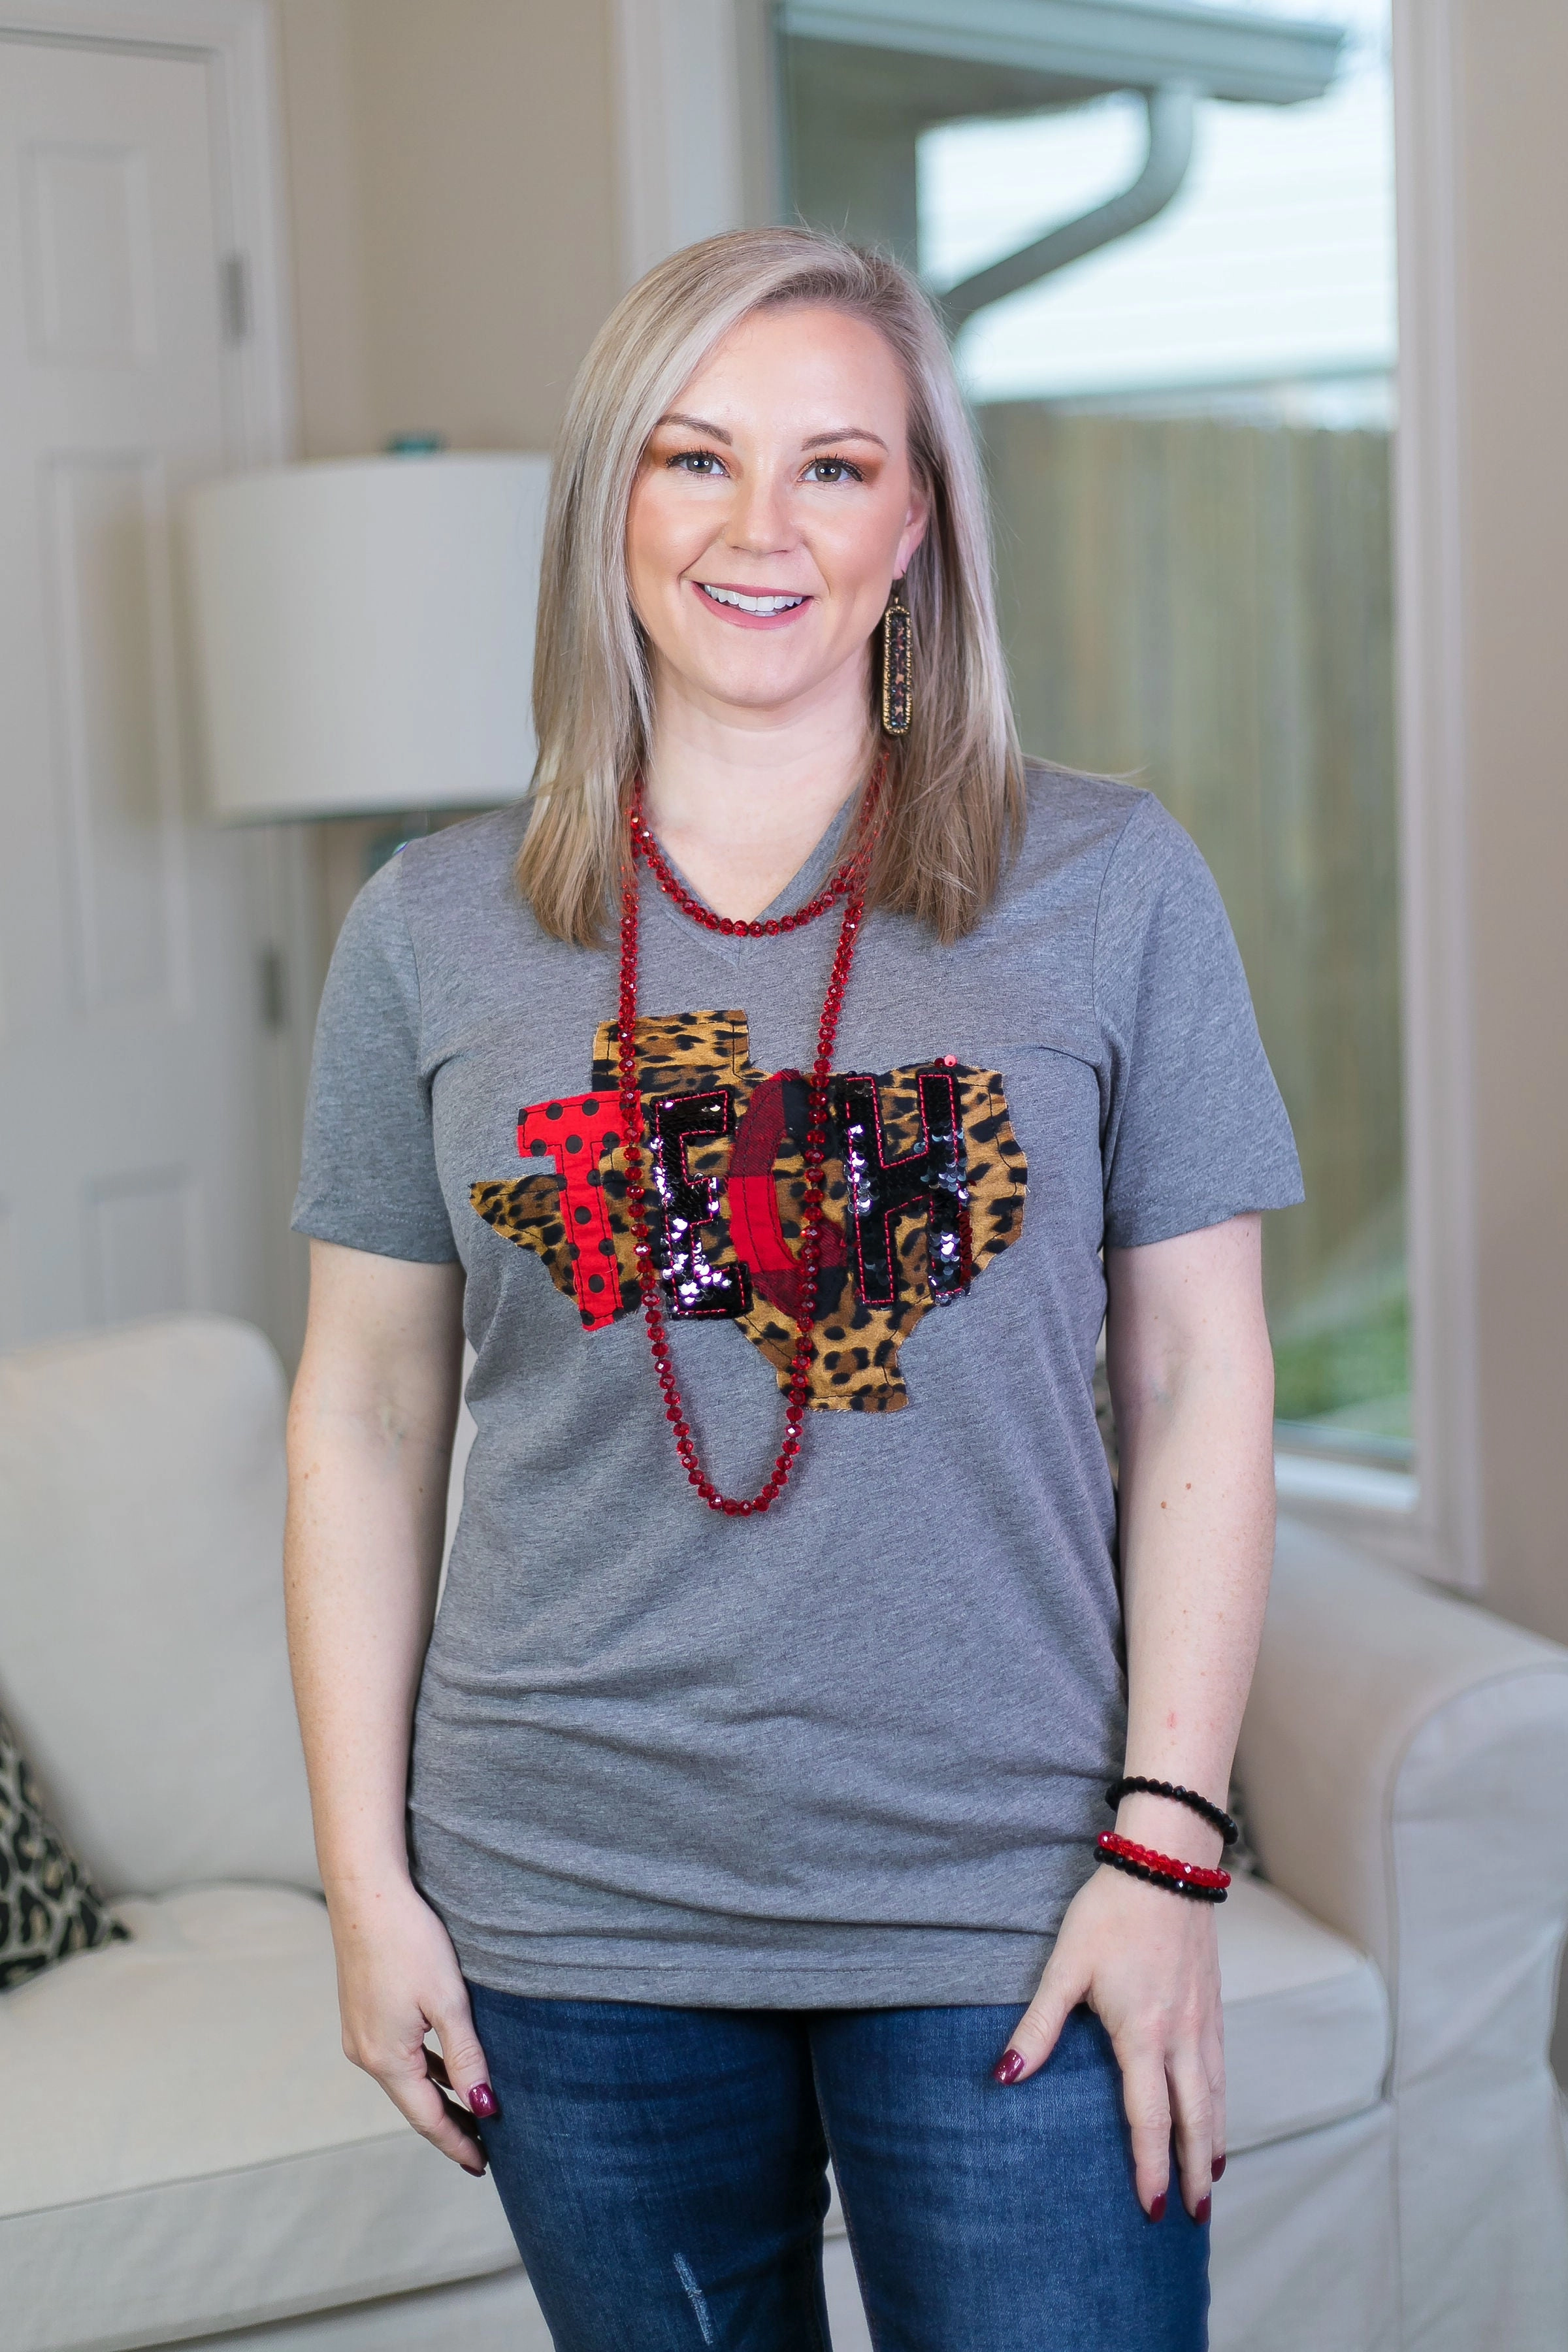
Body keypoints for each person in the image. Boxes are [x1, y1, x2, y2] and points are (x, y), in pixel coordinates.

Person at [285, 227, 1301, 2352]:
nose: (764, 529)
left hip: (1010, 1894)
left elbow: (1204, 1371)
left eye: (836, 467)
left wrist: (1172, 1849)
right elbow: (363, 1412)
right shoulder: (430, 929)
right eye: (693, 460)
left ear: (919, 522)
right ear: (609, 512)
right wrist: (370, 1890)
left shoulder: (1110, 883)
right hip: (567, 1909)